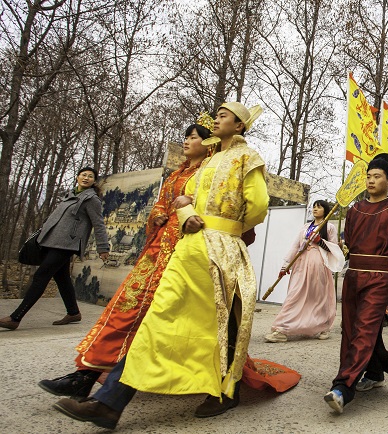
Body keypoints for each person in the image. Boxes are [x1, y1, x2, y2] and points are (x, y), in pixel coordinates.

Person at [53, 101, 278, 429]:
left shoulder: (248, 158)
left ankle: (225, 389)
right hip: (190, 250)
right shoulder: (209, 160)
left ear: (240, 126)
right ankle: (110, 402)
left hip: (220, 251)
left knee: (219, 320)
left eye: (223, 116)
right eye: (216, 115)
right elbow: (184, 199)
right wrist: (187, 214)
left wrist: (224, 228)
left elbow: (258, 206)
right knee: (162, 319)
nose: (216, 120)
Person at [37, 120, 210, 397]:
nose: (187, 142)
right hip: (157, 251)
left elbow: (209, 211)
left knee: (149, 317)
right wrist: (158, 216)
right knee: (124, 309)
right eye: (186, 137)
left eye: (193, 137)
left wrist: (188, 208)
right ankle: (87, 373)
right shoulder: (175, 175)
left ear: (208, 142)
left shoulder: (209, 175)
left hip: (184, 253)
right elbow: (159, 206)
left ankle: (107, 382)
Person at [324, 153, 388, 414]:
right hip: (353, 275)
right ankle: (375, 372)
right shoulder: (354, 209)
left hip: (380, 276)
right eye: (369, 176)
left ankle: (343, 387)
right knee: (351, 329)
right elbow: (350, 241)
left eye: (377, 176)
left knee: (365, 328)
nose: (371, 180)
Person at [0, 167, 110, 330]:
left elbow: (98, 224)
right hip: (52, 242)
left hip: (67, 244)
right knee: (62, 278)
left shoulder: (91, 199)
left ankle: (16, 317)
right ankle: (73, 312)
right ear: (78, 177)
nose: (86, 178)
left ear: (94, 181)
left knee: (41, 276)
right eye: (83, 175)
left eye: (90, 176)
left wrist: (103, 247)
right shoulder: (70, 196)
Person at [265, 200, 344, 343]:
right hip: (301, 263)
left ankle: (322, 326)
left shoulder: (329, 227)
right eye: (314, 206)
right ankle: (282, 328)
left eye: (319, 207)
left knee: (318, 297)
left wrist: (320, 241)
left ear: (325, 210)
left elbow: (334, 249)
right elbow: (295, 246)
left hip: (318, 264)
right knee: (294, 295)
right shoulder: (305, 227)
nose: (315, 209)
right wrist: (285, 265)